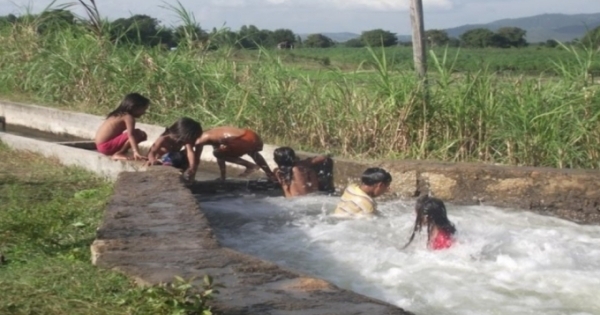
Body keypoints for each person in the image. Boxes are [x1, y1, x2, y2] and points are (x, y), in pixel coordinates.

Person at [193, 126, 275, 181]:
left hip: (239, 140)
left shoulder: (202, 137)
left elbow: (196, 159)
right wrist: (223, 176)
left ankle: (251, 166)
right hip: (251, 136)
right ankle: (270, 175)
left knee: (217, 153)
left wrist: (191, 176)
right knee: (253, 152)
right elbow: (221, 158)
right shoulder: (214, 135)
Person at [94, 93, 149, 160]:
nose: (144, 112)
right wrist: (136, 151)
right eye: (143, 109)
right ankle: (119, 153)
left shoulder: (117, 114)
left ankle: (120, 151)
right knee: (139, 134)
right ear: (135, 107)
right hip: (106, 147)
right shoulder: (128, 117)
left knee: (136, 134)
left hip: (100, 146)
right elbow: (131, 135)